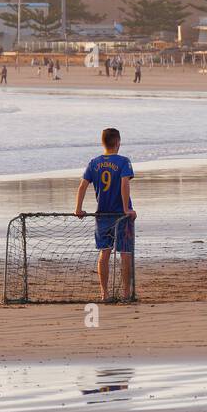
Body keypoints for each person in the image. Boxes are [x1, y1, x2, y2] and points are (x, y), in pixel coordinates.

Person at [73, 127, 136, 302]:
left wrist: (78, 208)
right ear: (118, 142)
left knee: (104, 252)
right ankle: (125, 293)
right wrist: (126, 208)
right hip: (121, 216)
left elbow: (82, 185)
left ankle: (105, 293)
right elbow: (125, 184)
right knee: (124, 253)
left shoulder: (94, 162)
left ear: (103, 143)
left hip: (102, 214)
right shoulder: (124, 161)